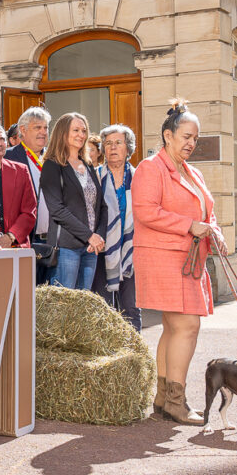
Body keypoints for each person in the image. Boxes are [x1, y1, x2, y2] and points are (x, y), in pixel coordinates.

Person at [134, 100, 221, 424]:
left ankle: (163, 399)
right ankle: (175, 401)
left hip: (187, 258)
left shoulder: (192, 171)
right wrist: (190, 226)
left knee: (173, 327)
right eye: (186, 136)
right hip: (164, 257)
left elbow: (206, 212)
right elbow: (146, 211)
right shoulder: (150, 167)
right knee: (187, 326)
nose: (191, 143)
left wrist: (216, 232)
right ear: (167, 135)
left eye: (195, 138)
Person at [40, 113, 106, 291]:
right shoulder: (52, 165)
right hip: (66, 247)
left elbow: (102, 206)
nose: (81, 135)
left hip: (91, 248)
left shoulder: (88, 164)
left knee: (84, 302)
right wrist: (89, 235)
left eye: (84, 131)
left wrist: (99, 236)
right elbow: (57, 210)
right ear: (63, 133)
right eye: (75, 130)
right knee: (64, 303)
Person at [96, 123, 141, 329]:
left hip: (131, 250)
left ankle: (135, 348)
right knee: (104, 308)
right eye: (108, 143)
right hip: (101, 251)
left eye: (118, 143)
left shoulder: (139, 178)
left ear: (128, 148)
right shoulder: (95, 177)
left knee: (131, 307)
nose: (113, 147)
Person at [5, 106, 53, 282]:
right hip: (24, 239)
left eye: (45, 127)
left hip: (53, 240)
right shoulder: (8, 157)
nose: (43, 132)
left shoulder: (53, 158)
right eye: (37, 127)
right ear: (23, 130)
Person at [0, 123, 38, 249]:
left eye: (2, 139)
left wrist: (11, 236)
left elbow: (30, 210)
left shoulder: (21, 170)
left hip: (16, 245)